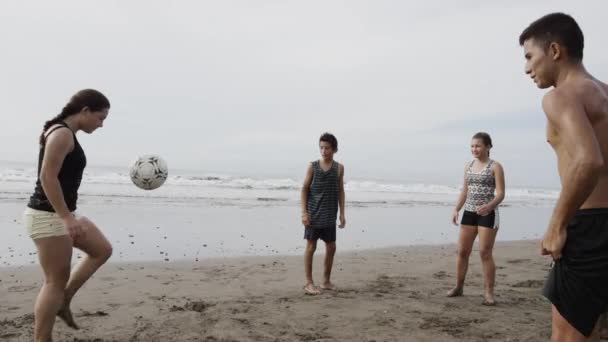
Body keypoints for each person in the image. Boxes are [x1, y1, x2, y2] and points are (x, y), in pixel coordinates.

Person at [519, 12, 608, 341]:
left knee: (568, 336)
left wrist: (556, 225)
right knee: (597, 330)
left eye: (530, 56)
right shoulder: (603, 93)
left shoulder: (561, 96)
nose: (527, 68)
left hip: (590, 228)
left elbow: (588, 161)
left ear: (555, 50)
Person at [22, 89, 113, 342]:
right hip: (47, 216)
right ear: (84, 111)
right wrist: (66, 219)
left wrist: (68, 216)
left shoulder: (64, 131)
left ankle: (65, 300)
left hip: (58, 213)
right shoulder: (62, 133)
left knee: (102, 250)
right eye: (100, 118)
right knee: (54, 282)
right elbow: (46, 177)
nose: (102, 124)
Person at [448, 132, 505, 306]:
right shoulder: (469, 166)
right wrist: (457, 209)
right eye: (472, 146)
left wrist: (490, 206)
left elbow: (501, 193)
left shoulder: (495, 167)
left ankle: (489, 293)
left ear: (488, 147)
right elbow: (465, 191)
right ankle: (459, 287)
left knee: (484, 253)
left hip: (488, 214)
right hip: (469, 213)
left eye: (478, 146)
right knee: (462, 252)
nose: (474, 149)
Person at [300, 132, 346, 295]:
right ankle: (308, 283)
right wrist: (304, 212)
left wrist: (342, 213)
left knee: (331, 246)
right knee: (311, 246)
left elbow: (340, 190)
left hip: (329, 215)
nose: (323, 151)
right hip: (313, 213)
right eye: (321, 148)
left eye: (327, 148)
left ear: (334, 149)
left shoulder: (339, 168)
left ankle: (325, 281)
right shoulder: (313, 166)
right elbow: (304, 188)